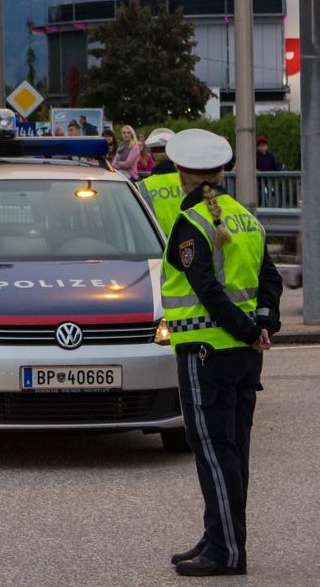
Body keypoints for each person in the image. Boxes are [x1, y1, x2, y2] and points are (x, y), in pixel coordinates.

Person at [162, 128, 282, 578]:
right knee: (232, 452)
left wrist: (248, 330)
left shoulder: (191, 223)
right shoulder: (246, 218)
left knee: (214, 451)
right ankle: (219, 535)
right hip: (245, 356)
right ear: (222, 172)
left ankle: (226, 550)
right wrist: (263, 325)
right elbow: (270, 280)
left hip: (206, 353)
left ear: (181, 173)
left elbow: (207, 290)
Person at [138, 128, 183, 234]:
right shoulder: (189, 181)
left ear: (152, 156)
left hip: (156, 243)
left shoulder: (141, 187)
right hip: (188, 242)